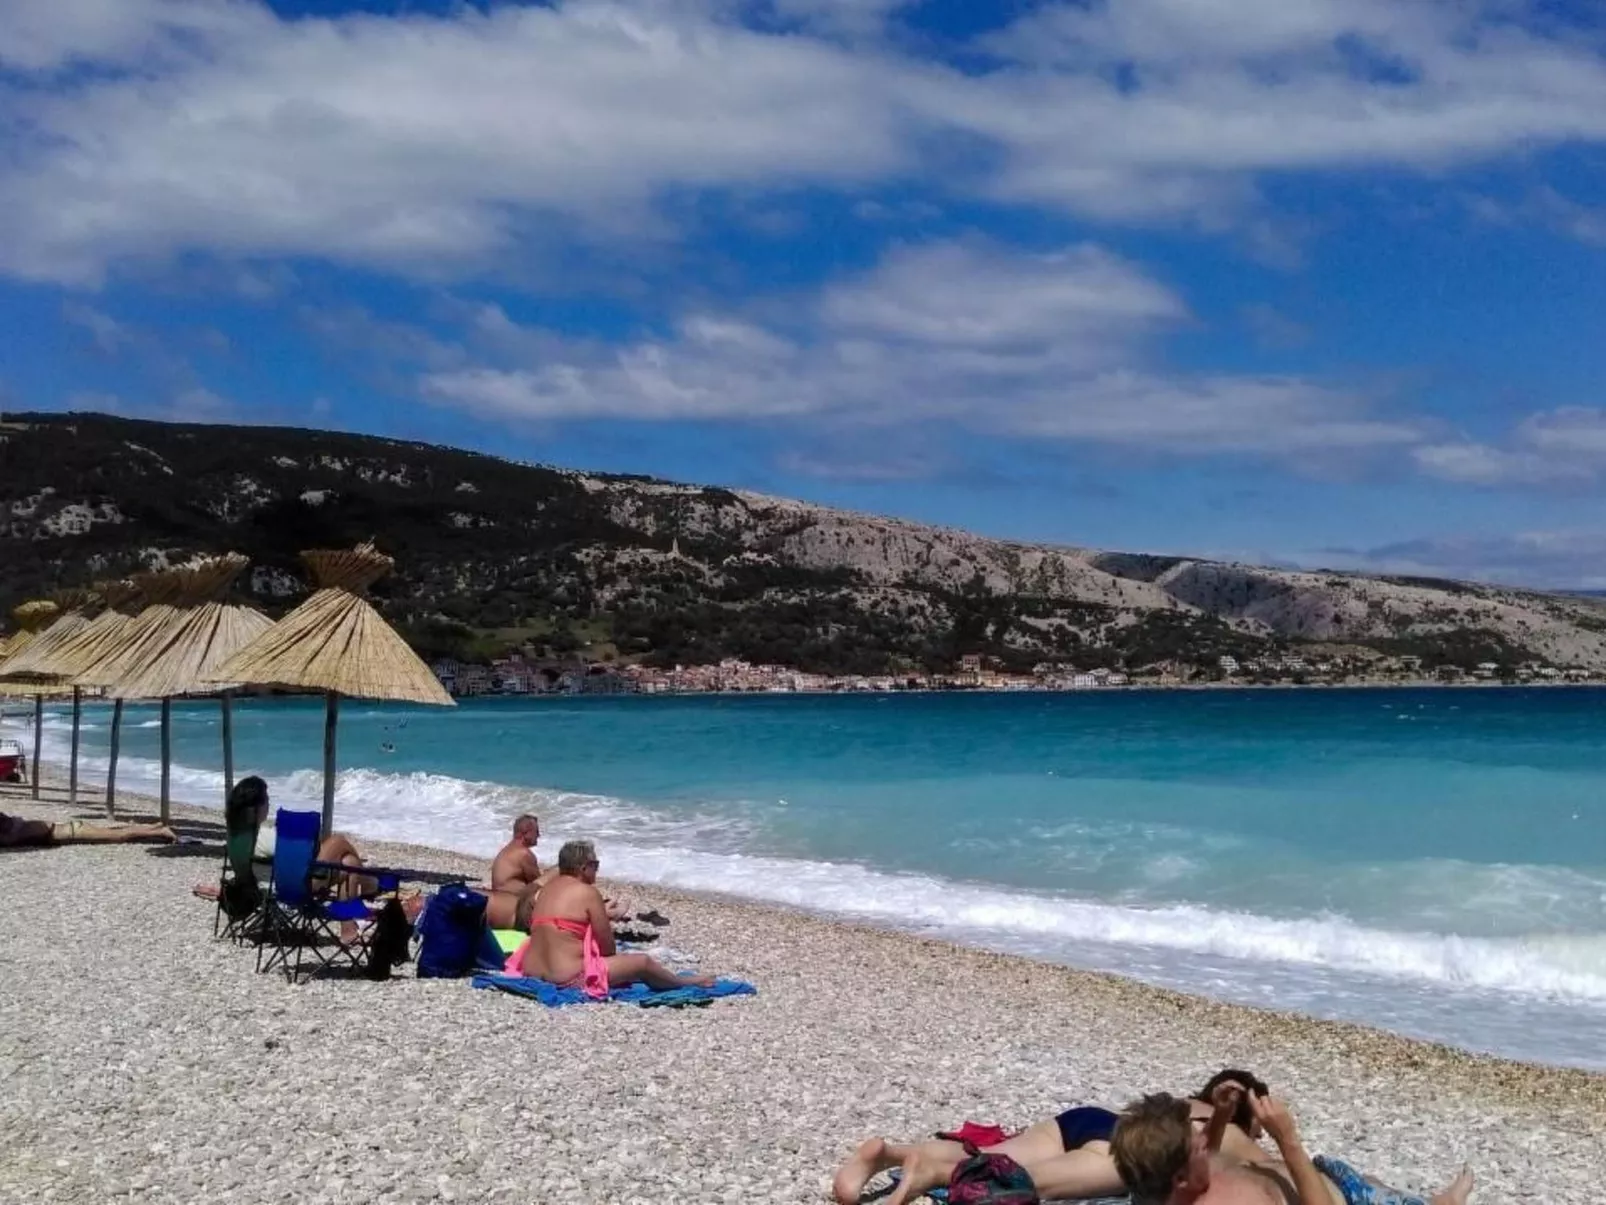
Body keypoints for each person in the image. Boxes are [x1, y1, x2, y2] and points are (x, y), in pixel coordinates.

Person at [832, 1070, 1271, 1205]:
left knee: (987, 1152)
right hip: (1124, 1147)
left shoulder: (1184, 1104)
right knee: (1018, 1180)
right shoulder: (1234, 1132)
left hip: (1086, 1119)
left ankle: (888, 1154)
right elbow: (1211, 1150)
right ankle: (932, 1173)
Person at [1109, 1086, 1474, 1205]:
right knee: (1388, 1196)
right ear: (1180, 1179)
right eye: (1197, 1145)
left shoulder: (1178, 1182)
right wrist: (1287, 1139)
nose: (1206, 1141)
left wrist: (1220, 1116)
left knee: (1377, 1179)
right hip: (1346, 1197)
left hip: (1320, 1174)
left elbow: (1213, 1155)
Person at [509, 839, 711, 993]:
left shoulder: (544, 891)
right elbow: (608, 948)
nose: (597, 870)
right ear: (583, 867)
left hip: (532, 971)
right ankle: (683, 982)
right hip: (567, 977)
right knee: (642, 963)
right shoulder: (587, 893)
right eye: (595, 865)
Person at [484, 814, 629, 927]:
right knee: (560, 870)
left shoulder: (508, 850)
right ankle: (604, 911)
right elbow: (539, 883)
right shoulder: (523, 854)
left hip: (513, 899)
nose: (539, 835)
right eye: (537, 832)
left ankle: (602, 907)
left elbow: (537, 881)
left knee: (559, 871)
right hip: (519, 902)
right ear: (526, 833)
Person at [0, 810, 175, 849]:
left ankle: (160, 831)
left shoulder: (9, 833)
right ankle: (153, 827)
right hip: (70, 828)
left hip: (73, 831)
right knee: (112, 832)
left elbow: (8, 839)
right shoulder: (13, 825)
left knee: (118, 836)